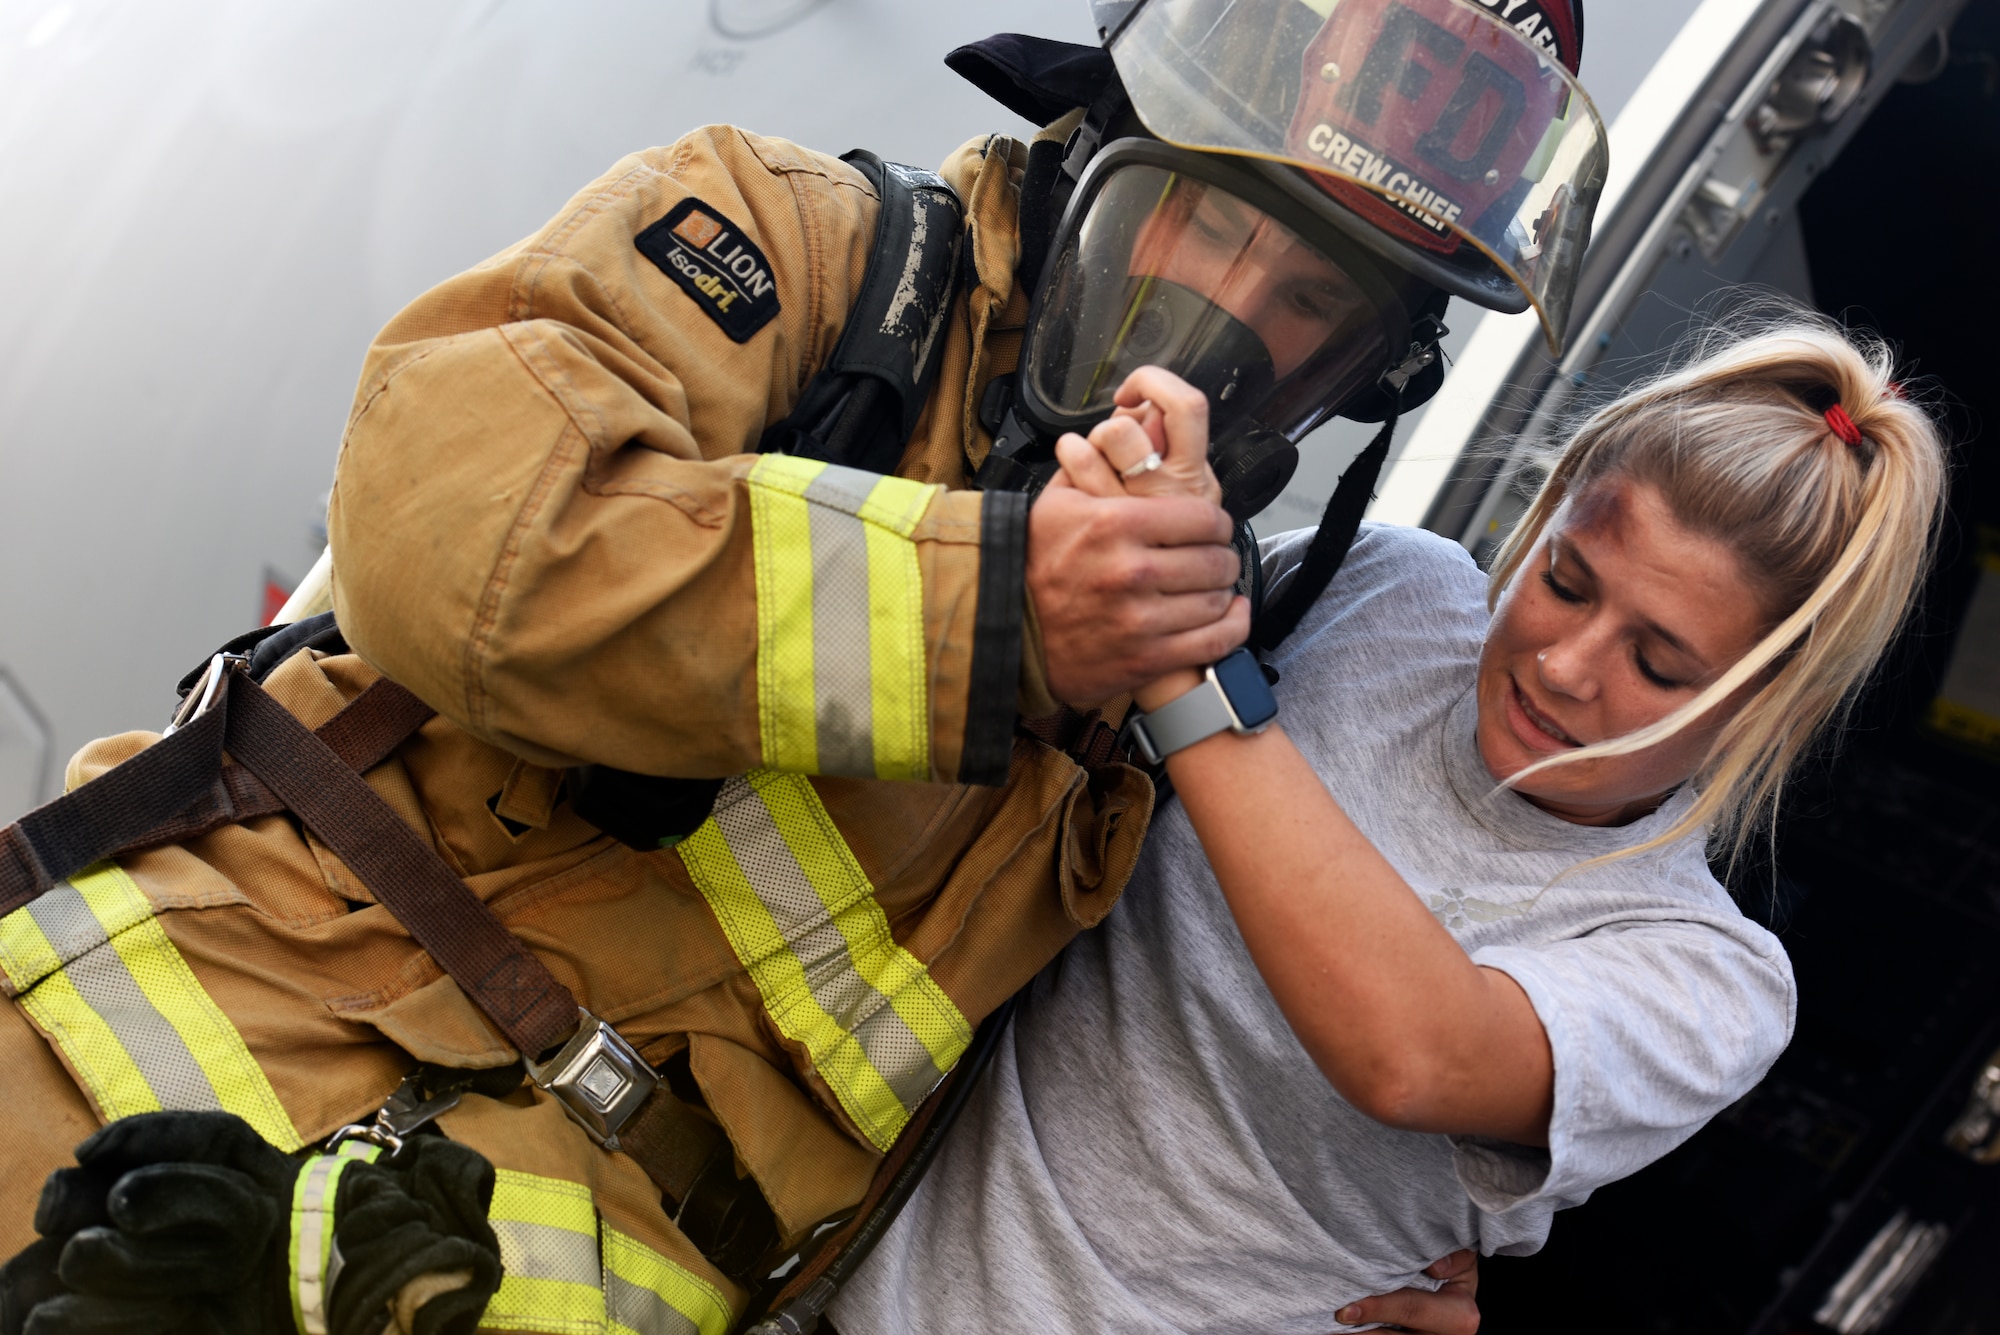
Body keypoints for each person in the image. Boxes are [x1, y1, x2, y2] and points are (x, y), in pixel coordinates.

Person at [0, 2, 1606, 1332]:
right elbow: (454, 524)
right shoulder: (806, 254)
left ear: (1368, 374)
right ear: (1099, 148)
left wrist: (1324, 1257)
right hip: (98, 1142)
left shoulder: (1169, 697)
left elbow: (1135, 1077)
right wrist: (996, 614)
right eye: (1207, 217)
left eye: (1313, 299)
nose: (1224, 313)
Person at [828, 312, 1948, 1334]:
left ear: (1761, 707)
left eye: (1658, 664)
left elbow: (1412, 1056)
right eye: (1563, 580)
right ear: (1544, 508)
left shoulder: (1707, 981)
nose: (1563, 666)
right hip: (830, 1274)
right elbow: (1063, 696)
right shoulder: (1383, 588)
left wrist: (1190, 670)